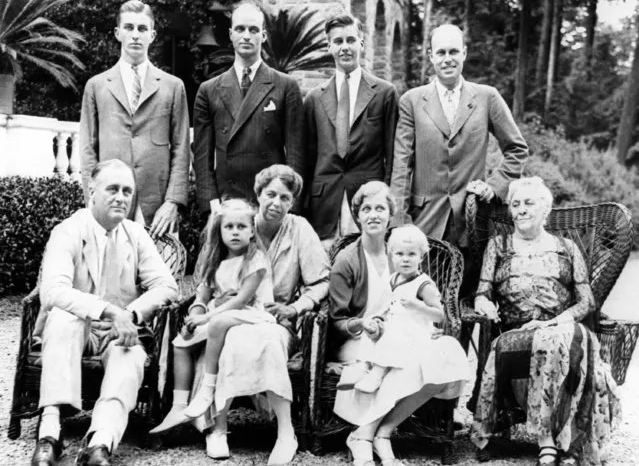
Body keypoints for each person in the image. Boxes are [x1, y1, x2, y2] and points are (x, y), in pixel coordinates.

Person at [155, 165, 329, 464]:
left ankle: (286, 432)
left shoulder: (299, 230)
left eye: (285, 198)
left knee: (267, 341)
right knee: (231, 336)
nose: (276, 202)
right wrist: (197, 311)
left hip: (274, 317)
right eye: (270, 194)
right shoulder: (235, 226)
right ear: (258, 195)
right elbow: (204, 285)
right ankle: (218, 429)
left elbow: (321, 282)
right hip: (226, 317)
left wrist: (295, 307)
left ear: (292, 202)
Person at [30, 159, 178, 466]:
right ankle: (50, 432)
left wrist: (132, 315)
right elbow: (53, 291)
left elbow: (167, 286)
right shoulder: (68, 230)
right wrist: (110, 310)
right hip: (76, 329)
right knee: (63, 318)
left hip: (117, 330)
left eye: (127, 191)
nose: (121, 197)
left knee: (130, 352)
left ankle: (100, 442)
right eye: (112, 189)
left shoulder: (135, 234)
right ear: (91, 192)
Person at [470, 177, 620, 466]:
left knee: (556, 338)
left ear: (546, 209)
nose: (521, 210)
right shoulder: (498, 246)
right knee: (550, 341)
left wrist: (555, 322)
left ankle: (553, 441)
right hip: (517, 331)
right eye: (515, 204)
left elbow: (586, 301)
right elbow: (481, 293)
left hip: (563, 325)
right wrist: (484, 304)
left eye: (529, 203)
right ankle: (553, 442)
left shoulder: (567, 247)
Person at [329, 181, 470, 466]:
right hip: (362, 338)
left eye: (380, 208)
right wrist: (364, 324)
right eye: (366, 209)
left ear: (390, 214)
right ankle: (365, 437)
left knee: (446, 354)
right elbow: (337, 320)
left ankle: (379, 431)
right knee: (400, 360)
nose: (373, 215)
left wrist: (425, 326)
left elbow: (429, 306)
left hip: (405, 333)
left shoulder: (402, 252)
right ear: (357, 215)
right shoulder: (347, 259)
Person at [390, 23, 528, 249]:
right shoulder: (411, 101)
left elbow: (517, 149)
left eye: (453, 52)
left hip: (472, 221)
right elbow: (401, 165)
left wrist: (493, 187)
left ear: (464, 53)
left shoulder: (487, 97)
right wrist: (400, 222)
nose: (447, 59)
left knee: (470, 284)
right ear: (431, 56)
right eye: (441, 53)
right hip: (424, 221)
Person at [149, 198, 276, 433]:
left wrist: (206, 318)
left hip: (247, 316)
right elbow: (203, 296)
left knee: (216, 324)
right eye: (229, 227)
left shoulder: (255, 259)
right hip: (217, 314)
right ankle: (179, 406)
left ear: (251, 231)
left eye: (241, 227)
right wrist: (195, 314)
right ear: (220, 230)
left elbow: (241, 300)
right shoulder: (214, 259)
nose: (235, 232)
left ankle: (207, 391)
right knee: (181, 343)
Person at [79, 0, 190, 238]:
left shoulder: (173, 87)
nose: (135, 35)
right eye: (129, 28)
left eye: (142, 29)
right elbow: (88, 149)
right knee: (109, 272)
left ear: (152, 35)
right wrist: (93, 200)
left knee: (160, 273)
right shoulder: (97, 86)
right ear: (118, 33)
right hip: (110, 203)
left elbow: (182, 148)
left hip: (157, 204)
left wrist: (173, 201)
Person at [193, 3, 305, 217]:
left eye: (253, 30)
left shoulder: (285, 86)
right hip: (227, 204)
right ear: (230, 34)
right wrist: (211, 203)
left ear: (263, 36)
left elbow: (296, 153)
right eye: (240, 29)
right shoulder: (209, 90)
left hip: (272, 202)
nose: (246, 36)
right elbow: (202, 155)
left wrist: (291, 205)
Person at [304, 14, 399, 250]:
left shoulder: (384, 93)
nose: (345, 47)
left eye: (350, 40)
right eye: (337, 42)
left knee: (365, 267)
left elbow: (393, 154)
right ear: (329, 47)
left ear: (361, 43)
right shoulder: (314, 98)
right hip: (325, 202)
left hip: (368, 199)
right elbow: (307, 156)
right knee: (325, 267)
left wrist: (386, 198)